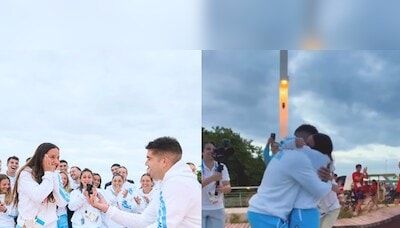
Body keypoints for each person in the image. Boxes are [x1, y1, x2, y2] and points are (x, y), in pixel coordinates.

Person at [88, 136, 201, 227]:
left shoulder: (178, 184)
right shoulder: (167, 183)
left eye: (149, 158)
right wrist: (106, 208)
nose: (146, 163)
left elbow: (164, 226)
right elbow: (143, 220)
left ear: (163, 162)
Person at [247, 124, 338, 228]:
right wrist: (329, 182)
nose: (307, 147)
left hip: (266, 212)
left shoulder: (285, 153)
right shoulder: (299, 159)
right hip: (270, 214)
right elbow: (318, 190)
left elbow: (279, 148)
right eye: (306, 144)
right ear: (300, 142)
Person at [12, 143, 69, 227]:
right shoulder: (26, 174)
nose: (57, 161)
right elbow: (38, 196)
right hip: (29, 224)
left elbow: (62, 202)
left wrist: (53, 176)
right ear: (41, 157)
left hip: (50, 224)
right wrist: (48, 173)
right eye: (52, 157)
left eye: (58, 157)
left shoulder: (55, 175)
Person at [201, 142, 231, 228]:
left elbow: (228, 187)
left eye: (213, 149)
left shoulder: (222, 166)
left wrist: (223, 189)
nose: (211, 151)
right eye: (208, 149)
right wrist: (212, 178)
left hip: (217, 208)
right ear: (202, 152)